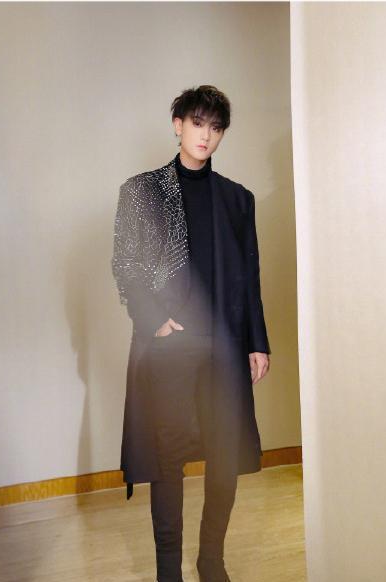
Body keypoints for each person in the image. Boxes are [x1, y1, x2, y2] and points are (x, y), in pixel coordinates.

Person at [111, 85, 271, 582]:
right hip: (170, 347)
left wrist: (257, 342)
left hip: (225, 346)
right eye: (198, 123)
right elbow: (125, 264)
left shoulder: (237, 199)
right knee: (169, 457)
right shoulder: (143, 191)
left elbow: (250, 277)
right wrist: (154, 318)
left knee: (225, 453)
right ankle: (168, 571)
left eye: (216, 127)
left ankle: (211, 560)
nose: (206, 135)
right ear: (178, 124)